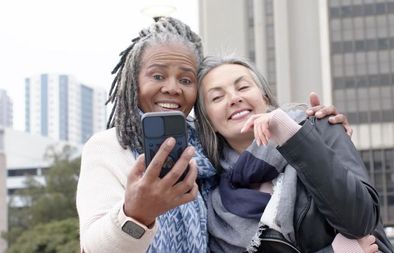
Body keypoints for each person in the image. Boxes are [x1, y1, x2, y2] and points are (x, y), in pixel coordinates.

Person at [76, 17, 353, 253]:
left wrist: (320, 129)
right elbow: (92, 246)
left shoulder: (209, 143)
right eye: (158, 76)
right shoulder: (109, 147)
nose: (172, 88)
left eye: (185, 80)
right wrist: (136, 214)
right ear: (133, 84)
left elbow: (267, 141)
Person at [194, 55, 394, 253]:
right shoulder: (217, 206)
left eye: (243, 87)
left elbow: (361, 220)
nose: (234, 98)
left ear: (264, 96)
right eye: (217, 97)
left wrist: (293, 137)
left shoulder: (321, 128)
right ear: (208, 121)